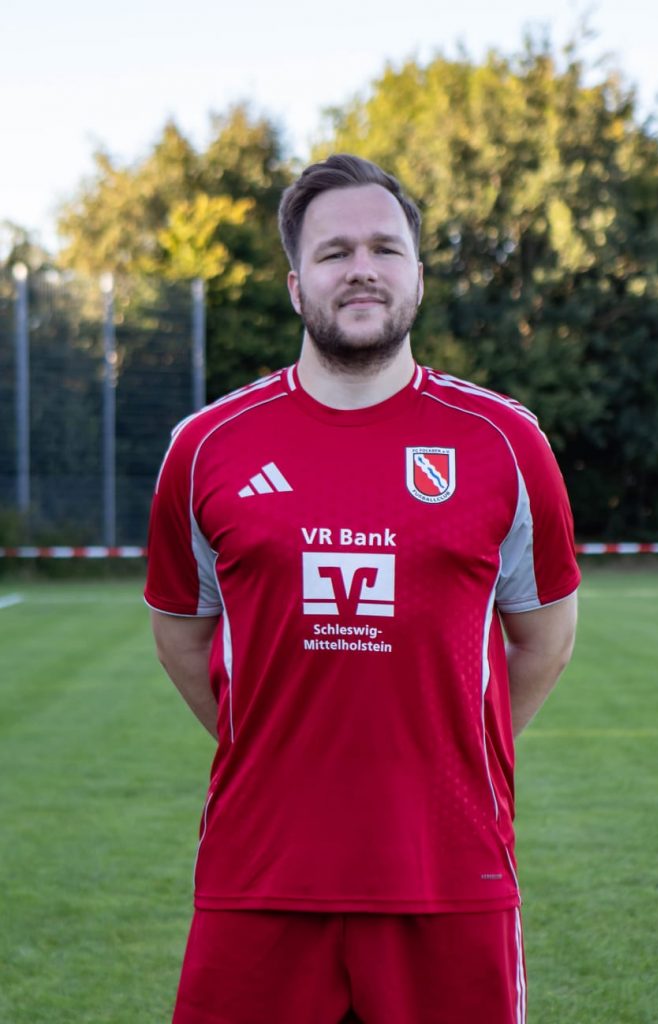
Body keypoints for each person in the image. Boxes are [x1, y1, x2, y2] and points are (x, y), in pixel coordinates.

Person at [145, 154, 580, 1024]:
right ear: (295, 283)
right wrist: (274, 738)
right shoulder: (205, 446)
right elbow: (182, 634)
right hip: (258, 869)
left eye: (384, 248)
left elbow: (544, 637)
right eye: (333, 251)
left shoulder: (504, 442)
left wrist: (450, 744)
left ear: (416, 275)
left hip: (450, 868)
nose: (361, 269)